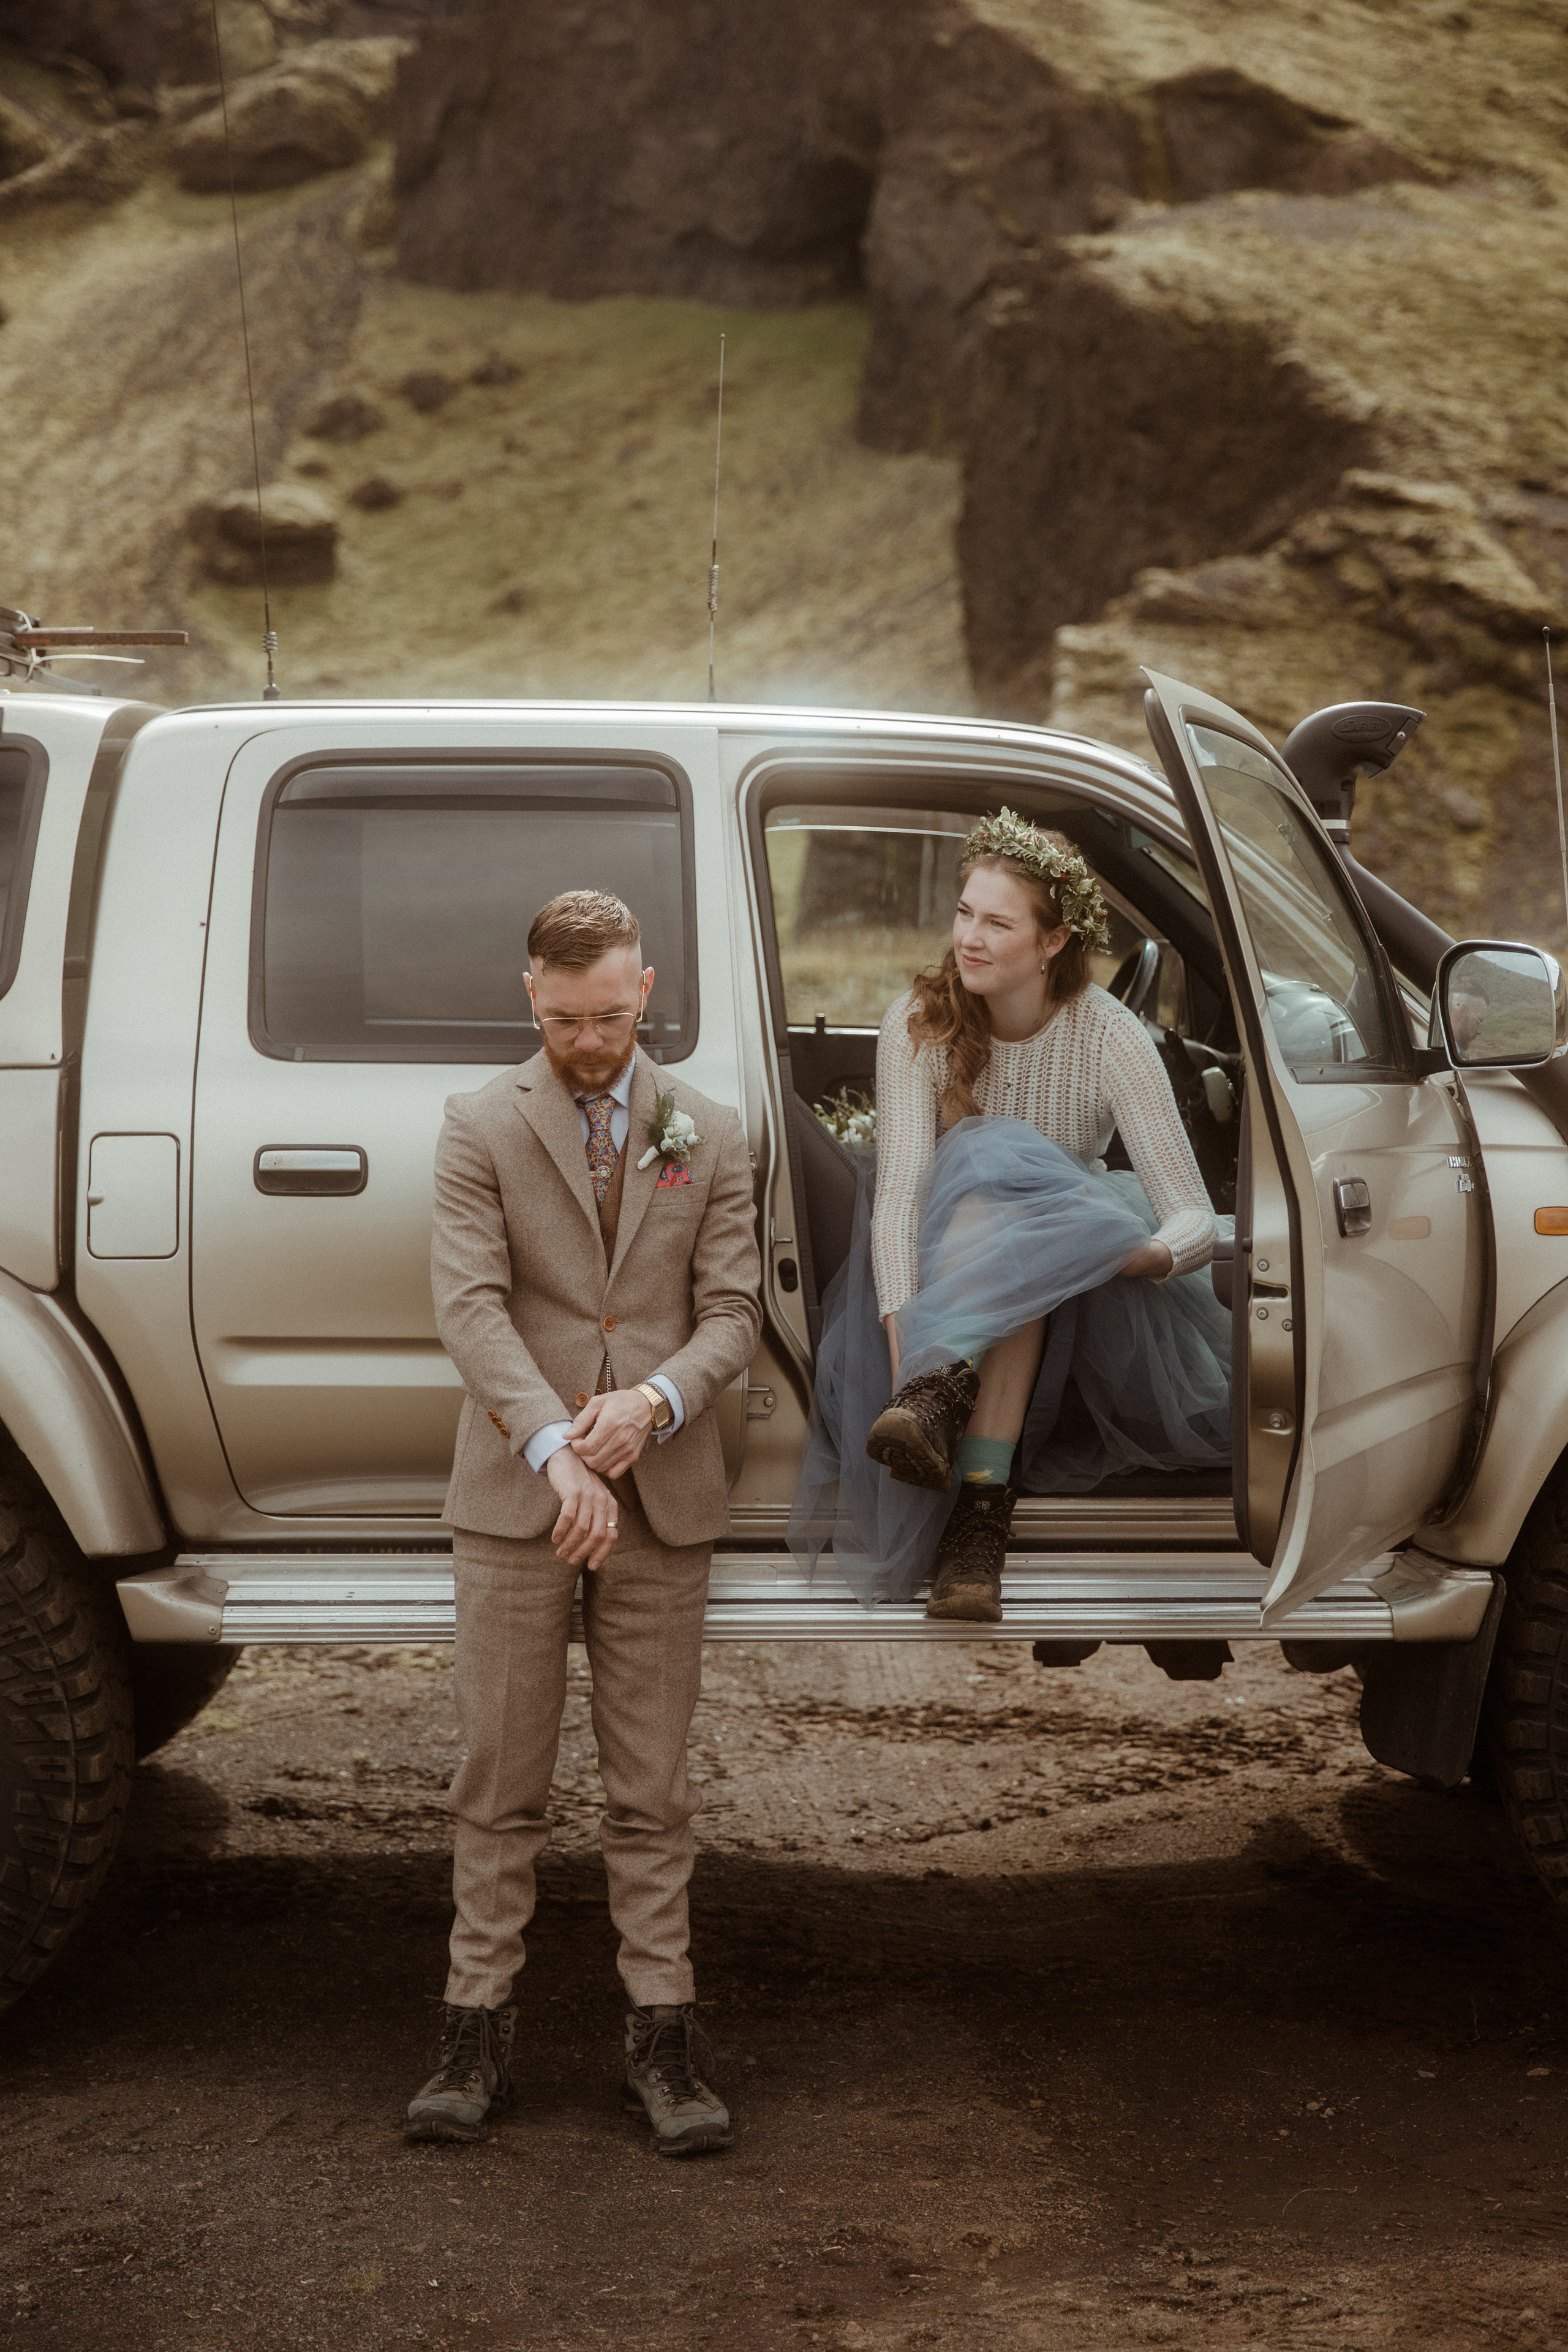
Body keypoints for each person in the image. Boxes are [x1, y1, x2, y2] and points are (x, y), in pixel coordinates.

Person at [409, 889, 761, 2157]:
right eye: (564, 1021)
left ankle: (661, 2039)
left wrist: (653, 1406)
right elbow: (470, 1307)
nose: (590, 1043)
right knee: (498, 1779)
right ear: (529, 997)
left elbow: (730, 1313)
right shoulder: (474, 1126)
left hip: (661, 1499)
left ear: (645, 989)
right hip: (516, 1497)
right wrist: (559, 1446)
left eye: (610, 1017)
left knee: (649, 1789)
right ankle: (472, 2032)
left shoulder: (706, 1130)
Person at [788, 810, 1229, 1621]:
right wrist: (904, 1351)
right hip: (943, 1287)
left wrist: (1146, 1257)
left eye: (997, 923)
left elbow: (1195, 1217)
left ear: (1054, 942)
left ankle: (968, 1468)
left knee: (1010, 1188)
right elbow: (899, 1197)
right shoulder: (920, 1023)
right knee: (986, 1178)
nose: (969, 939)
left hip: (1080, 1295)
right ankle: (974, 1497)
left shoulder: (1109, 1037)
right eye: (964, 913)